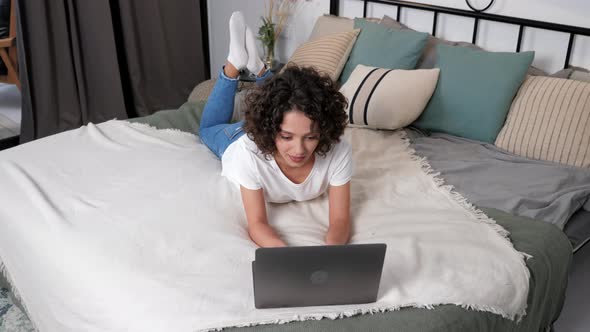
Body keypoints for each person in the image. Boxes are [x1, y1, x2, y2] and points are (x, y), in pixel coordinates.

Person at [200, 12, 352, 248]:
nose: (299, 150)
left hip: (273, 120)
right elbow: (258, 223)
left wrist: (330, 253)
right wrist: (286, 255)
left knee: (285, 97)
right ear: (274, 131)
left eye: (311, 137)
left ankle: (259, 70)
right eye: (287, 137)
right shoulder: (247, 154)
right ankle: (233, 64)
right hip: (243, 137)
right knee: (206, 129)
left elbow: (340, 220)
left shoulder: (338, 151)